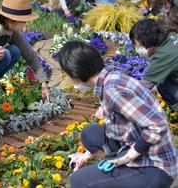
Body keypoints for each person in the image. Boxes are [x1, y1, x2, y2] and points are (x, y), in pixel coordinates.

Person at [58, 40, 178, 188]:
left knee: (78, 180)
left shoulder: (113, 91)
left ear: (75, 74)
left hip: (154, 168)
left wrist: (128, 156)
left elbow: (157, 126)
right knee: (89, 133)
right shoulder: (111, 77)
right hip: (142, 148)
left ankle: (126, 173)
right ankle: (120, 172)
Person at [0, 0, 50, 99]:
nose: (25, 24)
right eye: (24, 21)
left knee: (15, 51)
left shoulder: (11, 31)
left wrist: (43, 83)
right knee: (5, 54)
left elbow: (31, 56)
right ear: (11, 19)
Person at [130, 18, 178, 108]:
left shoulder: (163, 56)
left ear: (143, 39)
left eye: (135, 43)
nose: (135, 47)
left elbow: (142, 88)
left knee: (162, 86)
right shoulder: (172, 37)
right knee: (163, 80)